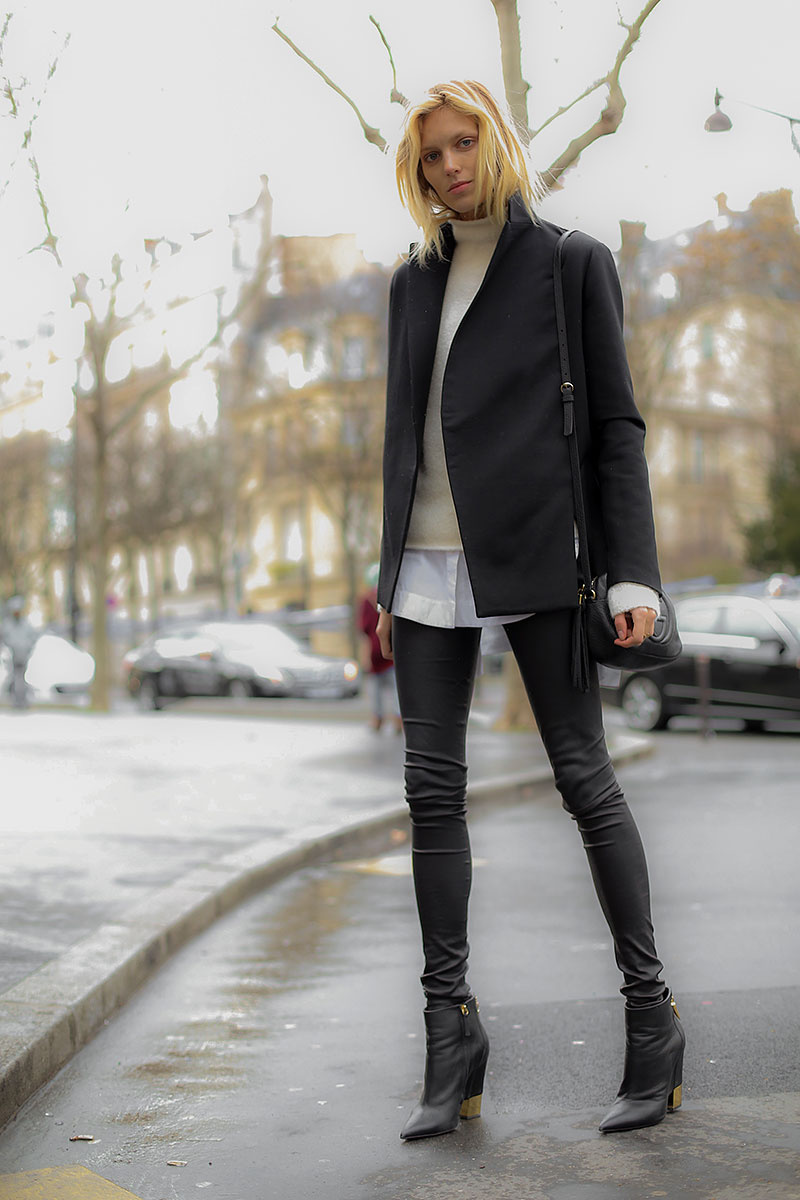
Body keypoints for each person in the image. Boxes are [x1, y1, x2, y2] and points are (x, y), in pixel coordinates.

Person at [375, 80, 685, 1141]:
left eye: (463, 144)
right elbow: (403, 435)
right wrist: (385, 574)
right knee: (429, 793)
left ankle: (651, 1019)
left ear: (495, 142)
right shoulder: (410, 282)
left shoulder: (568, 263)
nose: (450, 166)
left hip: (539, 556)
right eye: (431, 155)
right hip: (424, 564)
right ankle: (448, 1034)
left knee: (582, 780)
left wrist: (633, 573)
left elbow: (615, 428)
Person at [357, 563, 403, 732]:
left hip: (377, 655)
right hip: (391, 653)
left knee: (376, 691)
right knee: (396, 691)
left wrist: (365, 658)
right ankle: (397, 720)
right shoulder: (393, 599)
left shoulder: (366, 602)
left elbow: (364, 632)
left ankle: (378, 719)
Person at [2, 596, 38, 709]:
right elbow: (4, 638)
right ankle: (15, 700)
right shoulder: (7, 624)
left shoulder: (26, 624)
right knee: (14, 677)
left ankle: (23, 700)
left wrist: (28, 647)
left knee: (21, 678)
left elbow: (33, 637)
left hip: (23, 655)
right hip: (12, 656)